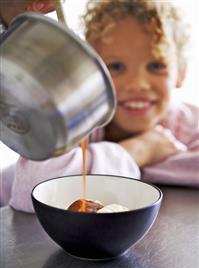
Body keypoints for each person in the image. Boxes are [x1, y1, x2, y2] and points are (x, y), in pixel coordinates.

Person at [1, 0, 198, 213]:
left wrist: (83, 167)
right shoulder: (78, 121)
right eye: (115, 66)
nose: (138, 84)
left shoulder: (188, 123)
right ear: (87, 74)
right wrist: (139, 150)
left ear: (181, 71)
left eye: (156, 66)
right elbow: (33, 191)